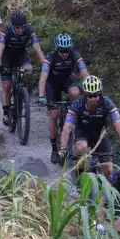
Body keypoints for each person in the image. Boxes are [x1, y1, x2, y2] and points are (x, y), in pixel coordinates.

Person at [59, 75, 120, 178]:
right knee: (82, 147)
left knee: (108, 168)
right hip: (82, 134)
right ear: (85, 95)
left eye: (96, 95)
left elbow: (118, 124)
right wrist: (63, 148)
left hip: (100, 136)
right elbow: (67, 127)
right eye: (90, 96)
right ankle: (79, 174)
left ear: (101, 93)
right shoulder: (77, 105)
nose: (93, 99)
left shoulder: (107, 103)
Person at [37, 33, 89, 164]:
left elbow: (84, 73)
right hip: (52, 84)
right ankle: (54, 148)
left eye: (67, 51)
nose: (65, 54)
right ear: (57, 49)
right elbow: (43, 78)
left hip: (66, 81)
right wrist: (41, 95)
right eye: (62, 51)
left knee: (76, 92)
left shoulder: (74, 55)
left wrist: (90, 88)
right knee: (54, 114)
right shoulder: (50, 57)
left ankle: (70, 112)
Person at [0, 9, 46, 126]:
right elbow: (0, 48)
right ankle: (6, 112)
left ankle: (24, 92)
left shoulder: (29, 30)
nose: (21, 30)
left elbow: (37, 47)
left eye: (22, 27)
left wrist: (44, 62)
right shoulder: (6, 31)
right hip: (7, 57)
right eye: (18, 28)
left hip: (21, 55)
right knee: (6, 85)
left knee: (29, 71)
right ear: (13, 26)